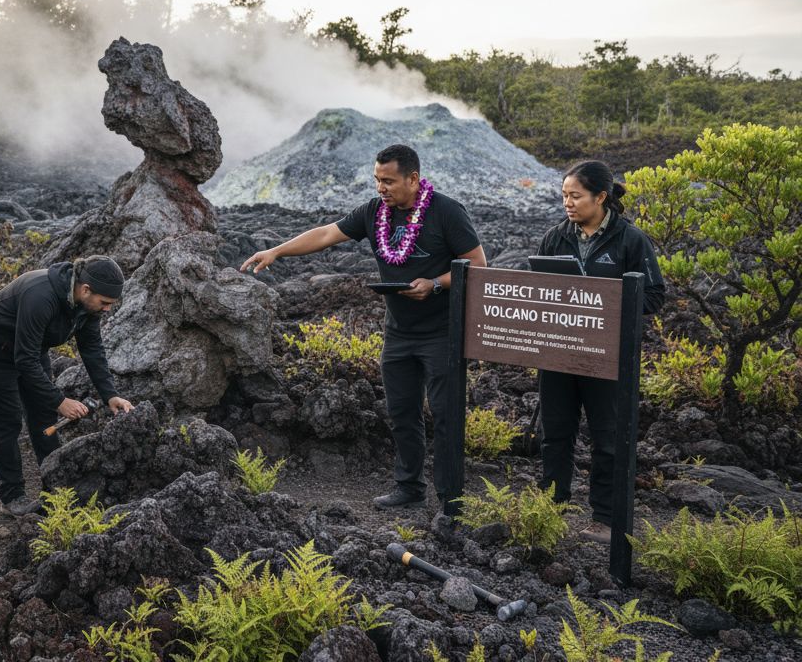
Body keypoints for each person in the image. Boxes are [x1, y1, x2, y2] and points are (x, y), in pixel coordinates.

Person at [241, 144, 487, 511]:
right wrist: (276, 251)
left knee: (447, 415)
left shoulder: (447, 212)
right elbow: (326, 234)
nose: (381, 188)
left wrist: (434, 284)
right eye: (377, 180)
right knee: (402, 412)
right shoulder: (374, 212)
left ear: (414, 179)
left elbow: (478, 265)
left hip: (442, 333)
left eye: (388, 181)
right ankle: (409, 488)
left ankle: (452, 500)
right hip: (398, 332)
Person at [535, 160, 664, 544]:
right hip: (559, 353)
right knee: (555, 434)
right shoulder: (555, 237)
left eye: (576, 196)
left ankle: (605, 518)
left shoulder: (630, 240)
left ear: (601, 197)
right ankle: (549, 509)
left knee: (607, 438)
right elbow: (538, 288)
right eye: (564, 196)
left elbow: (655, 295)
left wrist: (604, 302)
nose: (568, 204)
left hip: (608, 356)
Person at [0, 255, 134, 516]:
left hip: (31, 348)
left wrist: (110, 395)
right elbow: (24, 359)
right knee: (6, 421)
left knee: (44, 418)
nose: (107, 309)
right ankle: (12, 497)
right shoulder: (41, 296)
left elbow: (92, 349)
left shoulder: (86, 306)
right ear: (86, 289)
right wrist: (59, 400)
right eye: (105, 303)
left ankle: (55, 490)